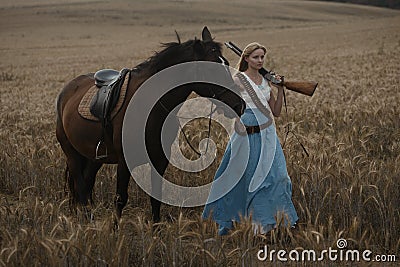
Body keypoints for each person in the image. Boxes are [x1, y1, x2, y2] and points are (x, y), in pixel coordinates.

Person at [202, 42, 298, 235]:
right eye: (256, 57)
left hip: (268, 135)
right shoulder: (238, 79)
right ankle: (248, 225)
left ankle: (268, 224)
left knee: (279, 177)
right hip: (246, 134)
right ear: (246, 59)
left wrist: (280, 89)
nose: (260, 61)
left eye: (262, 57)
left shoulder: (266, 83)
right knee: (246, 179)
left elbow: (276, 112)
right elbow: (225, 102)